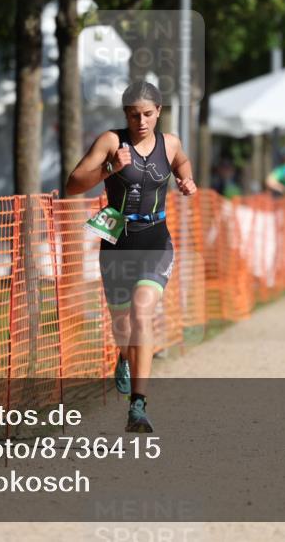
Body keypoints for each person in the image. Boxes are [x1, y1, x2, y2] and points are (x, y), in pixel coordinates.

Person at [65, 81, 196, 433]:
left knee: (142, 312)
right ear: (125, 115)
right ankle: (124, 357)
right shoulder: (111, 141)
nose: (141, 121)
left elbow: (182, 162)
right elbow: (73, 184)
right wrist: (109, 170)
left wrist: (187, 180)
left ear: (159, 113)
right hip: (118, 242)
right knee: (122, 325)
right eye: (134, 115)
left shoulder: (170, 143)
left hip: (156, 240)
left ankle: (138, 405)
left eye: (148, 114)